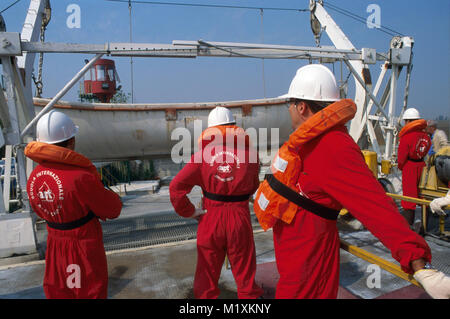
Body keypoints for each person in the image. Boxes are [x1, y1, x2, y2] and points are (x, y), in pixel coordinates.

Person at [253, 64, 450, 299]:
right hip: (297, 260)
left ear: (302, 107)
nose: (289, 111)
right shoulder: (306, 143)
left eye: (290, 105)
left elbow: (375, 207)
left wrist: (419, 264)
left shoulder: (332, 146)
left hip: (309, 262)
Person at [25, 110, 122, 299]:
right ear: (71, 142)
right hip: (82, 247)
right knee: (88, 291)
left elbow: (39, 210)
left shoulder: (34, 177)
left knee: (59, 291)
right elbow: (113, 209)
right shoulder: (81, 178)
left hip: (53, 246)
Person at [169, 107, 263, 299]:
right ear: (234, 127)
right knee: (245, 276)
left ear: (210, 129)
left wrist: (191, 212)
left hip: (211, 218)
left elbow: (175, 188)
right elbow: (253, 186)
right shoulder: (251, 155)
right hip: (240, 217)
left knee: (206, 276)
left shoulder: (201, 156)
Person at [397, 108, 432, 227]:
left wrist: (401, 166)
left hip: (410, 167)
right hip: (422, 166)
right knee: (423, 196)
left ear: (408, 121)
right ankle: (425, 226)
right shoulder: (426, 136)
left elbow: (401, 158)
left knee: (409, 198)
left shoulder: (406, 137)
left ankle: (407, 226)